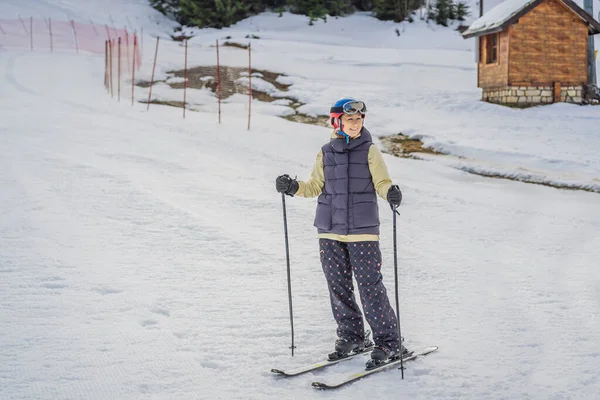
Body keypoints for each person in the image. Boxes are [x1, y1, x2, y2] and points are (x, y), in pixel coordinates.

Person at [275, 98, 405, 368]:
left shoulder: (370, 151)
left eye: (359, 119)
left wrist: (390, 193)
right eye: (350, 119)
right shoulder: (325, 152)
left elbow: (382, 182)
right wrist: (292, 187)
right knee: (338, 287)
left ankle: (389, 342)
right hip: (329, 230)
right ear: (338, 122)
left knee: (370, 287)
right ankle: (352, 335)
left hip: (362, 231)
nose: (356, 124)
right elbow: (314, 186)